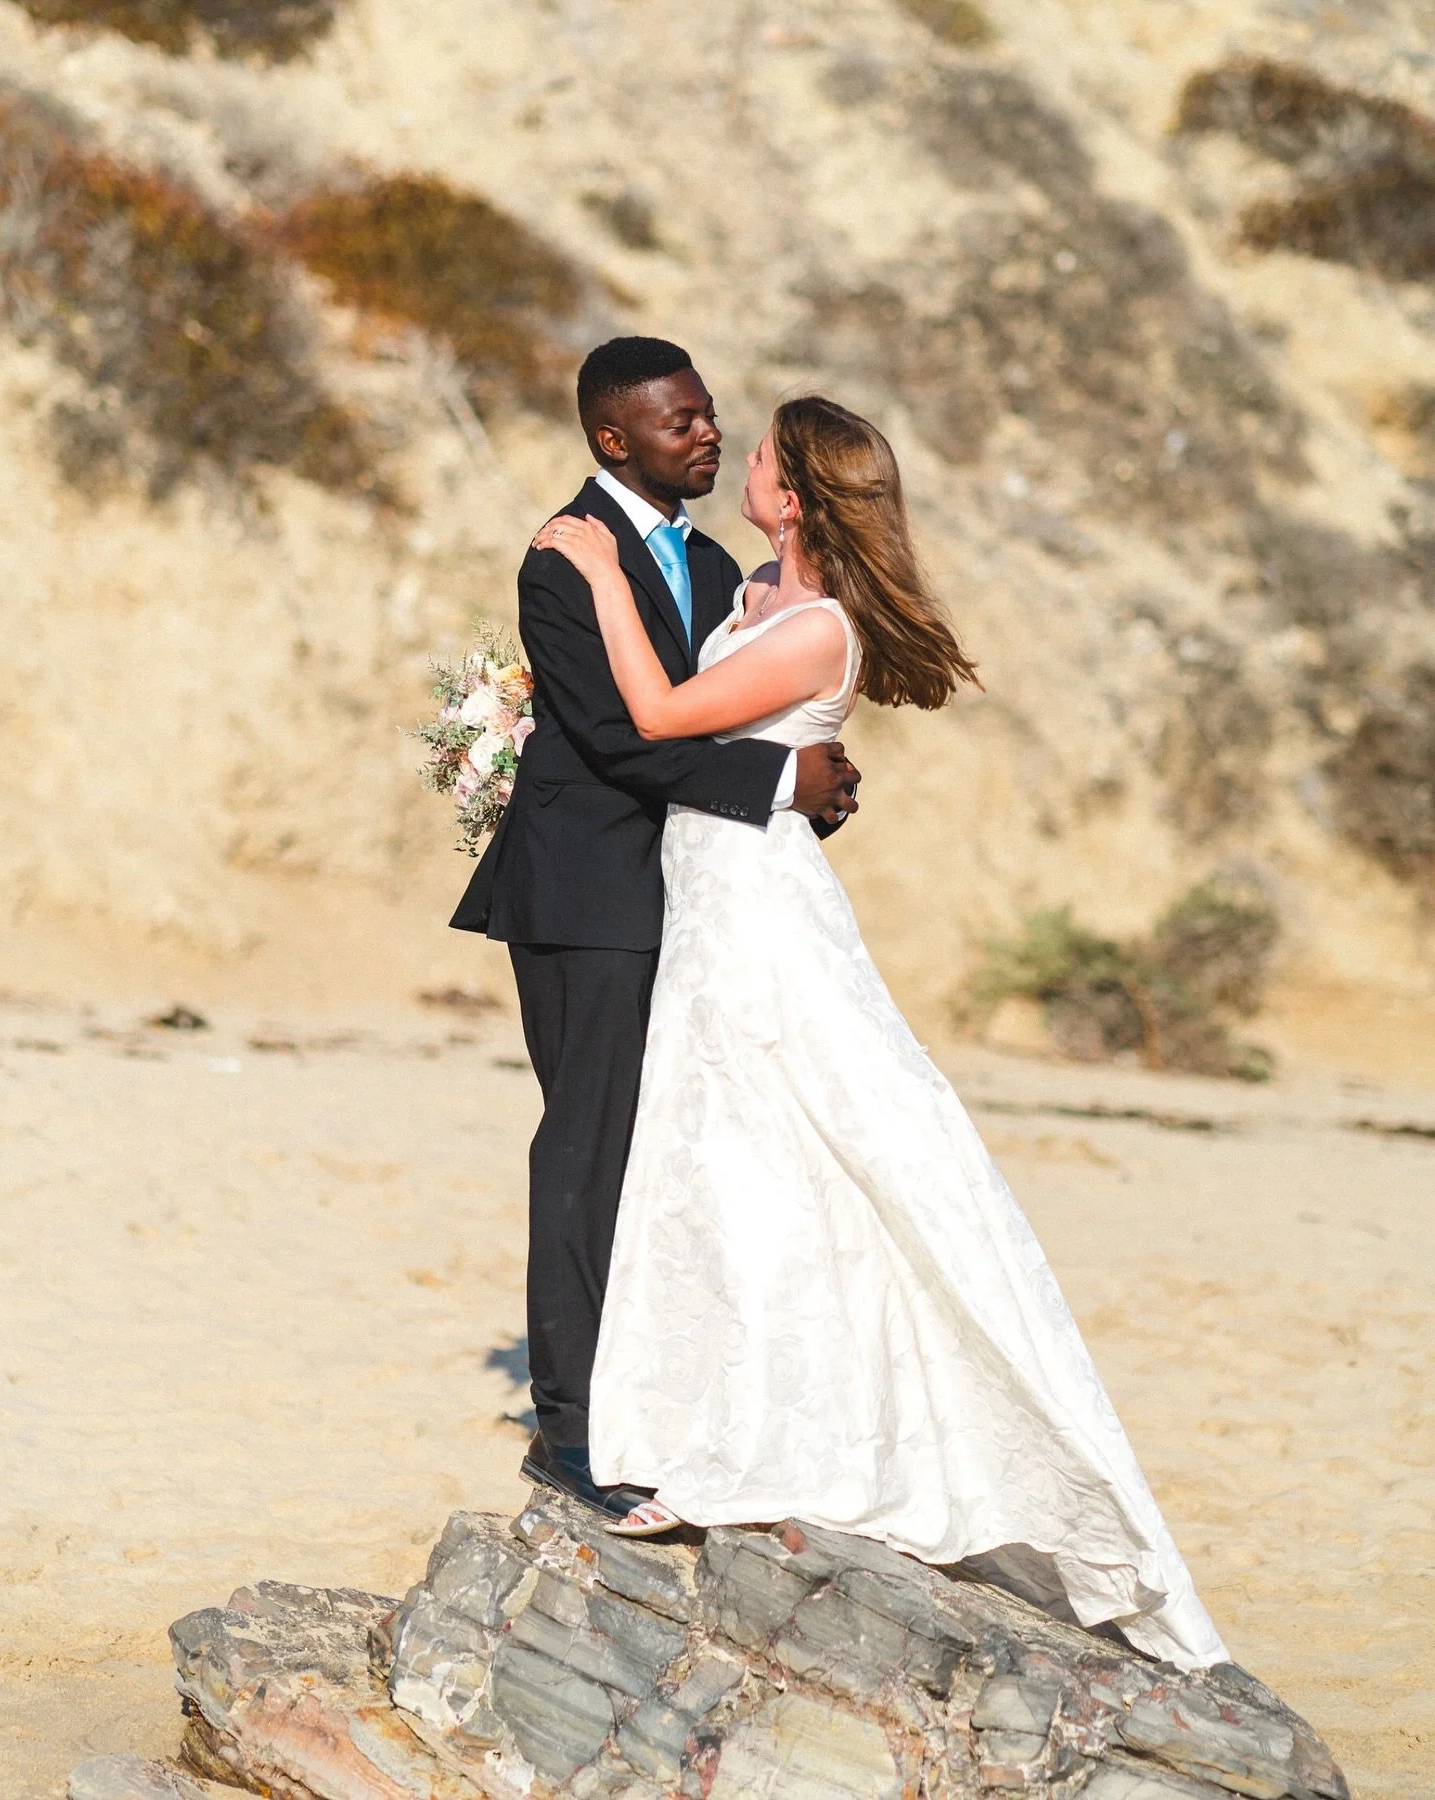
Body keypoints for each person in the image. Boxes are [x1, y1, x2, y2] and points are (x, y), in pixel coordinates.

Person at [530, 393, 1230, 1672]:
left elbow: (660, 720)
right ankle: (715, 1411)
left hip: (756, 909)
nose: (739, 460)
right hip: (708, 894)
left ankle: (795, 1433)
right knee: (723, 1157)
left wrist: (594, 576)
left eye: (761, 460)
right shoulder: (752, 592)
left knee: (812, 1143)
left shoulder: (818, 629)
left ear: (795, 496)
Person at [449, 339, 859, 1520]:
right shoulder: (561, 561)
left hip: (695, 898)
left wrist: (808, 789)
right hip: (585, 899)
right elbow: (626, 742)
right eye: (678, 422)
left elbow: (720, 725)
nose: (707, 434)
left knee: (669, 1154)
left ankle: (664, 1402)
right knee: (586, 1153)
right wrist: (782, 788)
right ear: (613, 438)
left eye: (711, 414)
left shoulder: (723, 562)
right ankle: (568, 1434)